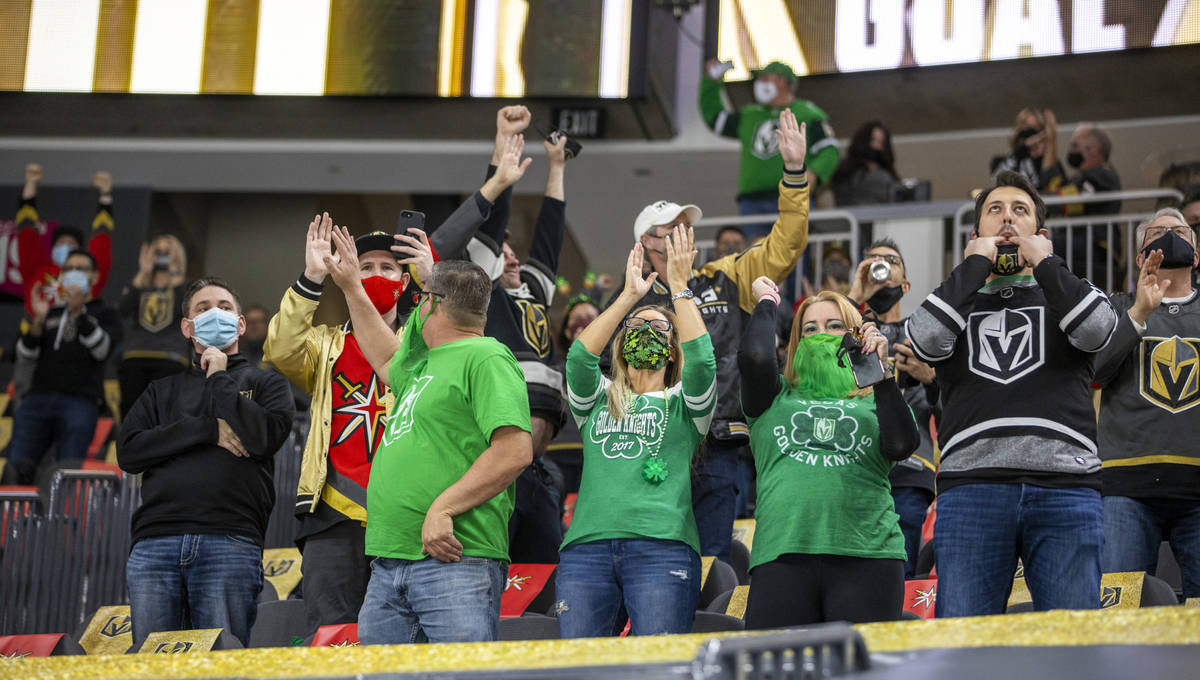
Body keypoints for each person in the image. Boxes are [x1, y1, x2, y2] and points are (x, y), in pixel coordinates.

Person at [264, 138, 529, 631]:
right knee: (342, 644)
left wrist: (490, 191)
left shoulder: (435, 347)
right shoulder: (334, 345)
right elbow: (281, 351)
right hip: (343, 516)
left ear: (414, 287)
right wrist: (316, 277)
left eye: (389, 266)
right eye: (366, 267)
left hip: (440, 537)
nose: (377, 274)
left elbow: (464, 326)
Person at [906, 170, 1119, 617]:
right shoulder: (956, 298)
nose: (1006, 219)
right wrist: (972, 268)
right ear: (976, 234)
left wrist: (1047, 264)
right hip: (971, 486)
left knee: (1074, 647)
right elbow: (923, 339)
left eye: (1019, 211)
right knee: (963, 645)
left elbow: (1100, 329)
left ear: (1041, 235)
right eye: (995, 211)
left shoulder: (1069, 293)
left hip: (1065, 486)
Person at [613, 108, 812, 565]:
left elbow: (786, 245)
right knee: (652, 552)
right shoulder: (631, 298)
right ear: (646, 244)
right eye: (669, 229)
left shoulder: (726, 276)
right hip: (652, 441)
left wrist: (795, 173)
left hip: (718, 441)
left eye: (685, 226)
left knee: (709, 560)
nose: (684, 234)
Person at [324, 231, 532, 644]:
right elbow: (382, 355)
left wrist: (443, 508)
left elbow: (515, 450)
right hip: (389, 562)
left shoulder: (485, 356)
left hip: (456, 558)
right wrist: (349, 286)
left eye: (419, 299)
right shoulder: (422, 364)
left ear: (431, 303)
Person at [118, 278, 295, 648]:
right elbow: (129, 452)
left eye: (225, 307)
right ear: (187, 326)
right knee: (152, 670)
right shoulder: (160, 391)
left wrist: (219, 377)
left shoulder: (267, 384)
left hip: (229, 540)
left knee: (222, 665)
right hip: (155, 542)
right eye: (202, 308)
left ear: (241, 324)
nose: (215, 313)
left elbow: (264, 438)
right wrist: (207, 429)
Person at [558, 230, 716, 637]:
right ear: (621, 342)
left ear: (672, 348)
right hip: (586, 550)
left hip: (662, 547)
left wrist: (679, 287)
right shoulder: (596, 399)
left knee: (658, 667)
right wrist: (628, 298)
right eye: (637, 325)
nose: (647, 327)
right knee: (580, 669)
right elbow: (579, 357)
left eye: (659, 326)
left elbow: (703, 362)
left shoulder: (686, 403)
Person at [739, 284, 917, 627]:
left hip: (868, 555)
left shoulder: (874, 397)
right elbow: (755, 358)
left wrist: (879, 373)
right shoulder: (774, 396)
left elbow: (901, 446)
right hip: (782, 556)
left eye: (835, 326)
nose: (821, 334)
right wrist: (766, 301)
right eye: (810, 328)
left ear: (856, 335)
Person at [462, 112, 572, 564]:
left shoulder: (534, 289)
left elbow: (550, 232)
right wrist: (501, 156)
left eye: (513, 252)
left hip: (539, 467)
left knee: (545, 563)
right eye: (500, 253)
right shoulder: (483, 294)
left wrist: (557, 167)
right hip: (501, 459)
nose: (509, 258)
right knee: (497, 561)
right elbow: (491, 225)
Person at [1094, 208, 1200, 598]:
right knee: (1118, 612)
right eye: (1157, 232)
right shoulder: (1114, 307)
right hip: (1126, 485)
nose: (1170, 235)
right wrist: (1139, 313)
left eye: (1180, 231)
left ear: (1197, 253)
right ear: (1141, 258)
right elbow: (1095, 372)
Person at [847, 239, 940, 578]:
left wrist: (930, 379)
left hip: (909, 470)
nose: (881, 268)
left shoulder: (926, 333)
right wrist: (855, 294)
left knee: (900, 577)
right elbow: (815, 364)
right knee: (855, 576)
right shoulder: (844, 331)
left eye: (890, 262)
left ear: (906, 284)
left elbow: (954, 407)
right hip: (852, 467)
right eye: (872, 262)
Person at [8, 250, 120, 484]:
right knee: (18, 469)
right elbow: (24, 355)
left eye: (81, 269)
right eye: (68, 269)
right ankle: (16, 520)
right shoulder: (48, 311)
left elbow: (101, 350)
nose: (73, 274)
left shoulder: (105, 313)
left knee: (67, 475)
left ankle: (62, 521)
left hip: (80, 402)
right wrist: (37, 321)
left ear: (95, 277)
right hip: (37, 400)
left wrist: (79, 314)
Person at [700, 59, 837, 236]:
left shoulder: (807, 113)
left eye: (765, 78)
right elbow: (715, 118)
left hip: (792, 198)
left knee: (794, 256)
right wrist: (711, 82)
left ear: (782, 81)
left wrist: (814, 173)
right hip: (751, 202)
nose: (759, 83)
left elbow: (829, 151)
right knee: (754, 259)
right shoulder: (750, 115)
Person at [17, 164, 114, 316]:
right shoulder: (39, 271)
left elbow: (101, 242)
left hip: (76, 333)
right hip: (40, 332)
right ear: (52, 249)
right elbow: (27, 235)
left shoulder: (88, 275)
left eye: (71, 244)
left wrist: (105, 195)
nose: (65, 247)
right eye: (60, 243)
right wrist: (30, 184)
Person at [116, 235, 190, 419]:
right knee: (131, 415)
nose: (163, 256)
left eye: (168, 252)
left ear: (177, 255)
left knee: (164, 416)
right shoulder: (140, 286)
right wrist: (142, 274)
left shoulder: (185, 287)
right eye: (158, 252)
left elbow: (188, 312)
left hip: (170, 358)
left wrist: (175, 277)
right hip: (135, 356)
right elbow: (122, 310)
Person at [989, 108, 1059, 192]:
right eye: (1026, 127)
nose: (1030, 134)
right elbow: (997, 179)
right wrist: (1023, 148)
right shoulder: (1002, 160)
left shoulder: (1047, 161)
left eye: (1035, 128)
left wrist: (1050, 141)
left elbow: (1047, 185)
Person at [832, 121, 899, 207]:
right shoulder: (843, 172)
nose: (875, 146)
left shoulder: (887, 175)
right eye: (872, 140)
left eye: (880, 143)